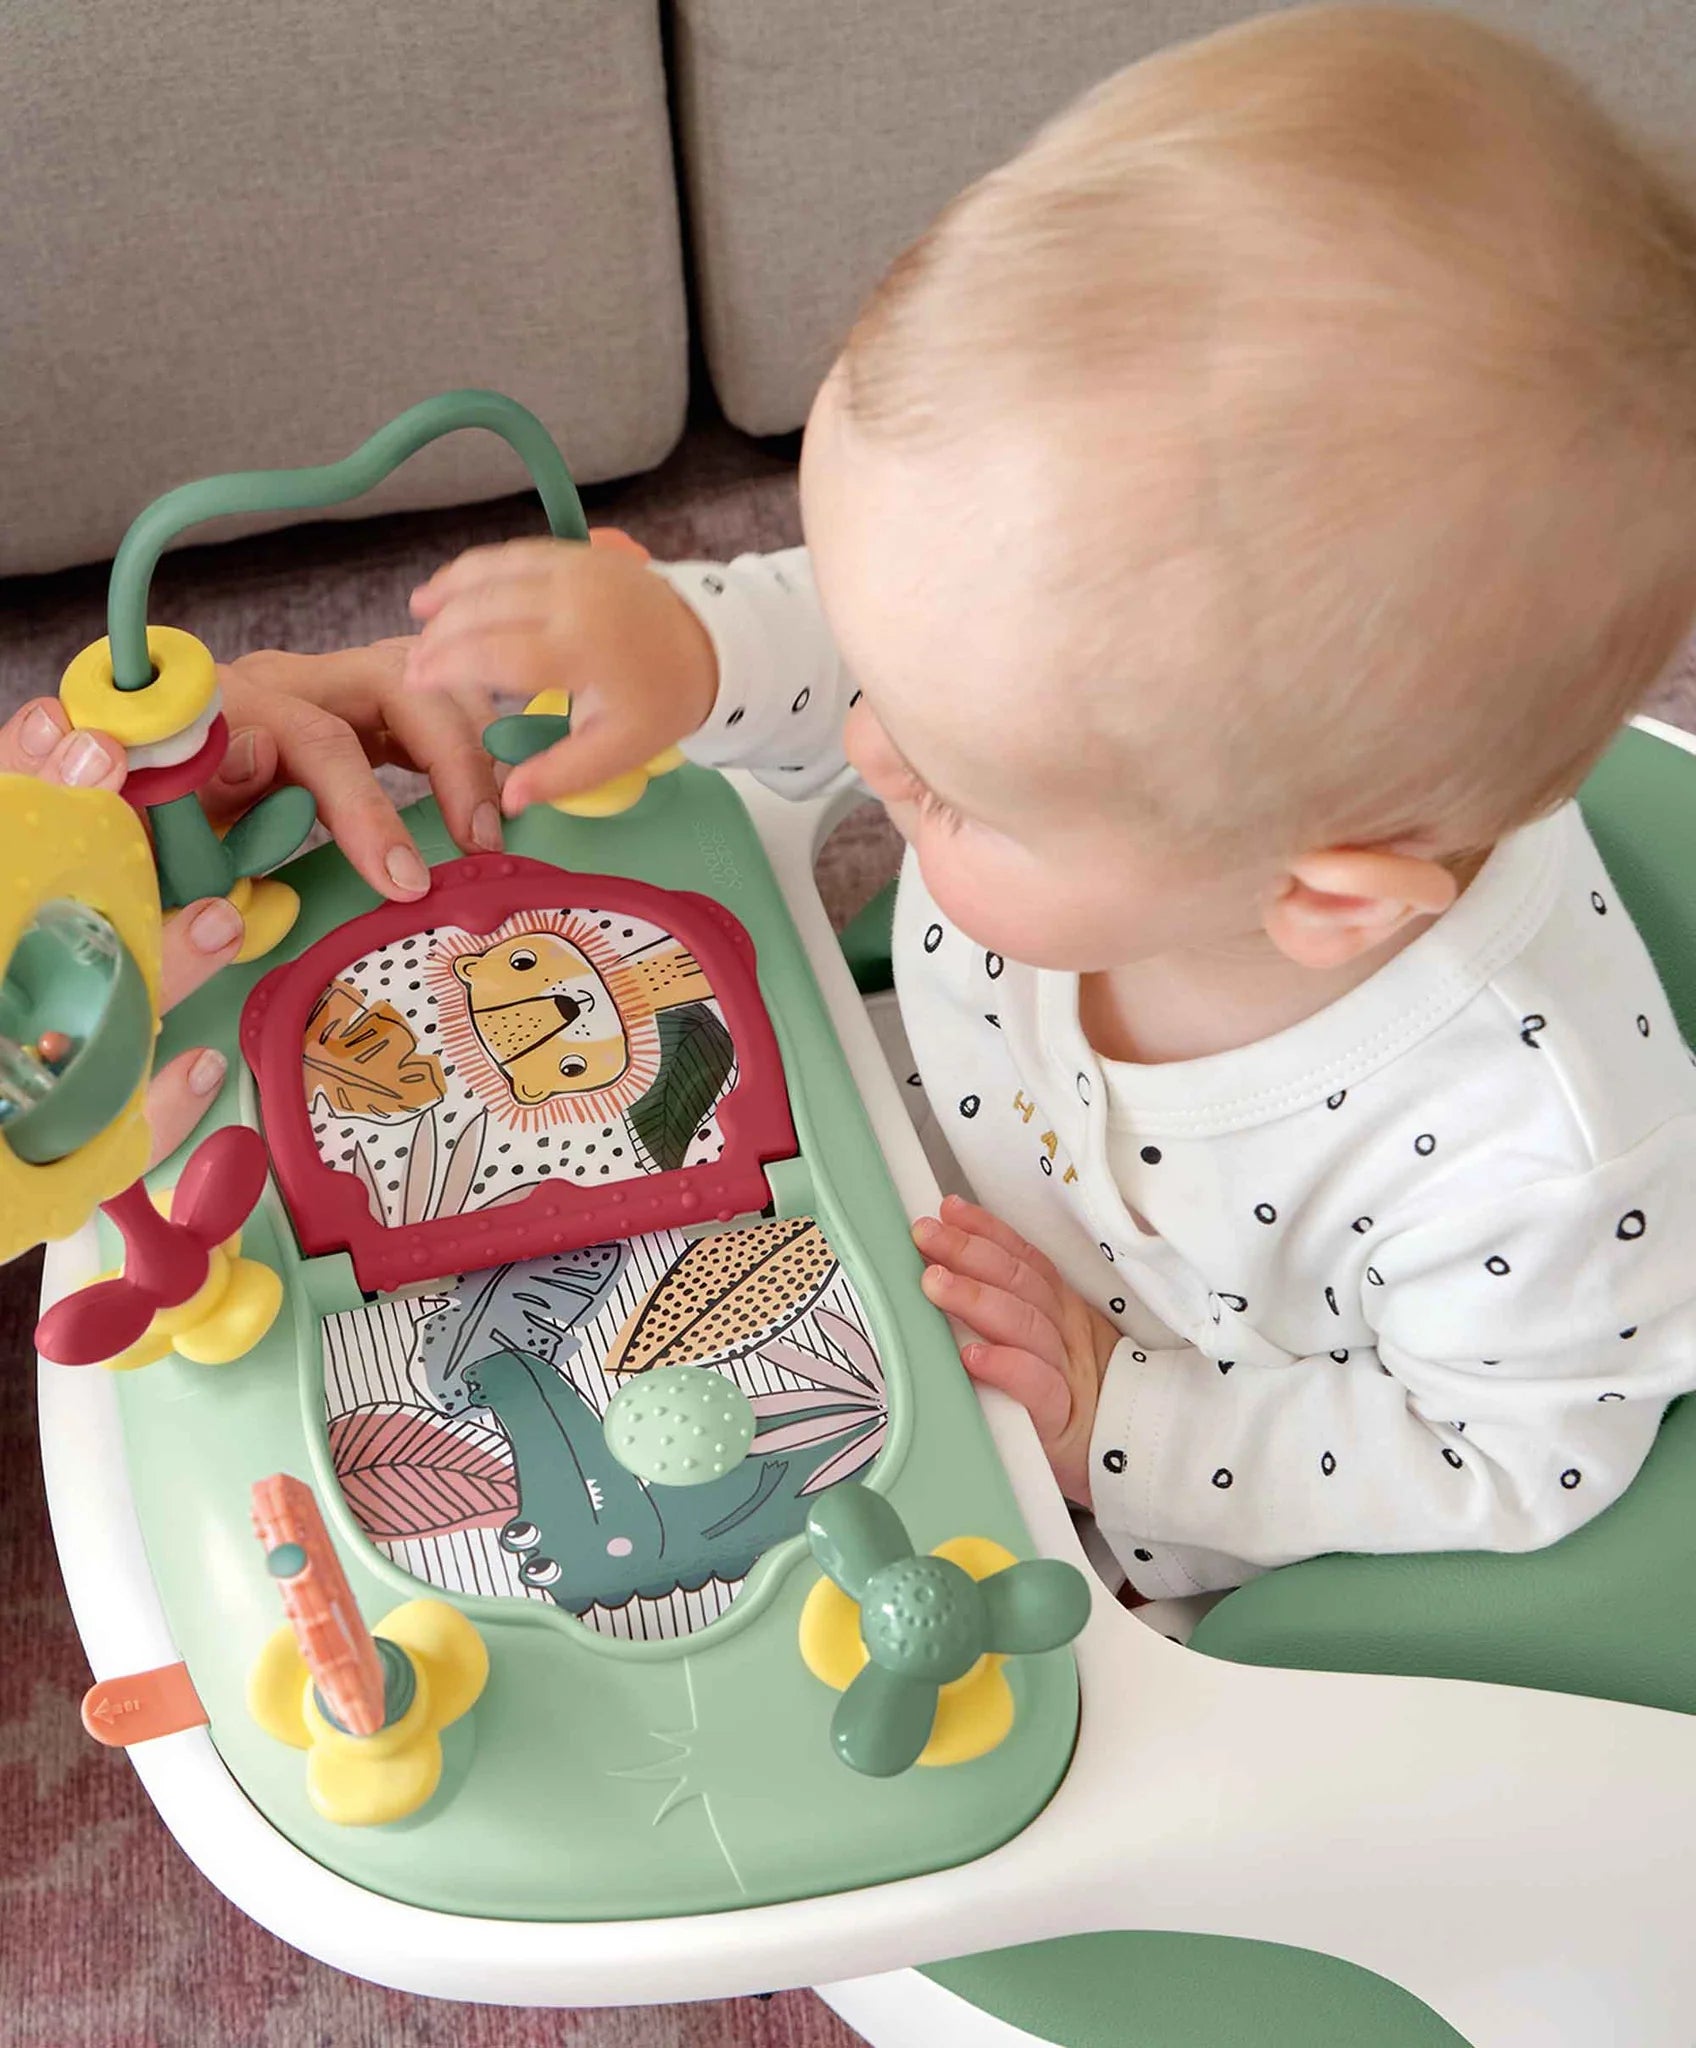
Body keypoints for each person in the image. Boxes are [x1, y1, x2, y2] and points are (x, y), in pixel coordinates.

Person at [16, 5, 1696, 1600]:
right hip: (904, 1138)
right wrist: (687, 646)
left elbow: (1521, 1453)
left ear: (1323, 897)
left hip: (1140, 1486)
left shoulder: (1527, 1161)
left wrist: (1123, 1418)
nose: (869, 751)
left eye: (950, 781)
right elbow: (867, 630)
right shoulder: (1119, 727)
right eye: (876, 668)